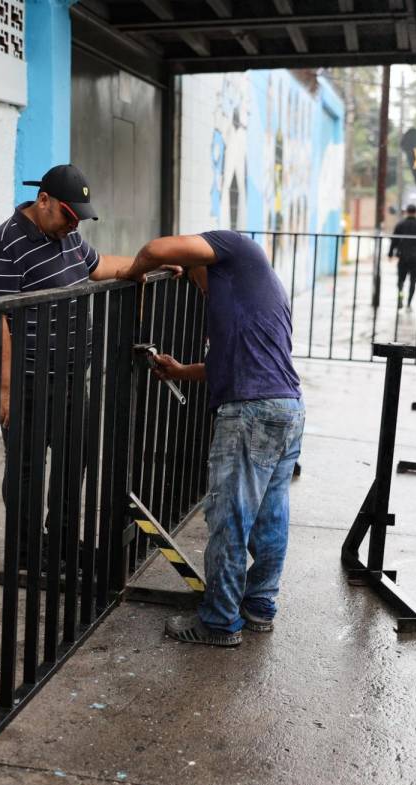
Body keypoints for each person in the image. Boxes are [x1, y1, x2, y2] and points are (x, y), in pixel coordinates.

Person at [0, 164, 171, 567]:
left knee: (73, 457)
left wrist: (148, 266)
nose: (73, 224)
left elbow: (99, 267)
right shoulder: (4, 244)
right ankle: (27, 550)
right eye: (68, 214)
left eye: (78, 217)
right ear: (43, 200)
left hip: (68, 373)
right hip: (28, 377)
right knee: (27, 467)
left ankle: (61, 541)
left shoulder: (68, 238)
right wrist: (5, 390)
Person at [126, 231, 305, 647]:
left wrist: (137, 274)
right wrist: (181, 370)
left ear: (202, 263)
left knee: (229, 517)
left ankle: (221, 621)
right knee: (270, 515)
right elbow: (236, 359)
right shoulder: (258, 291)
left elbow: (153, 248)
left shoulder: (235, 249)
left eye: (192, 279)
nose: (198, 290)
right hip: (286, 408)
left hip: (250, 412)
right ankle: (259, 607)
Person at [389, 204, 416, 310]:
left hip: (403, 257)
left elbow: (394, 241)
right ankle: (408, 303)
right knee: (413, 281)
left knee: (401, 280)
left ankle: (400, 295)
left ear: (406, 212)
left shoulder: (400, 225)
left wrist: (390, 254)